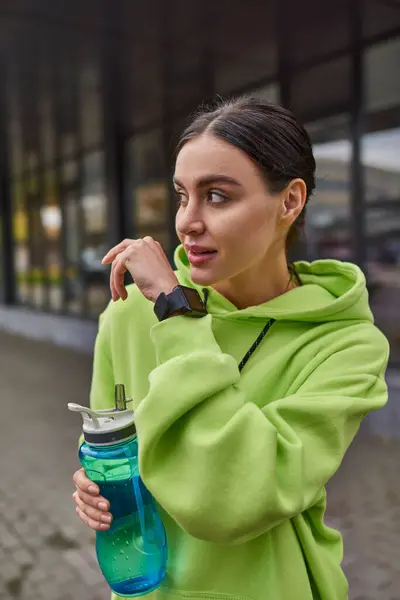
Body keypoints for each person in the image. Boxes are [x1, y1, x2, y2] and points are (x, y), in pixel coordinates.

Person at [72, 97, 389, 600]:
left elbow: (234, 501)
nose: (187, 222)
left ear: (290, 201)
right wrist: (96, 486)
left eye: (217, 196)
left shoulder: (345, 345)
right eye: (182, 196)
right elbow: (117, 451)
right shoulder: (129, 314)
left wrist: (177, 315)